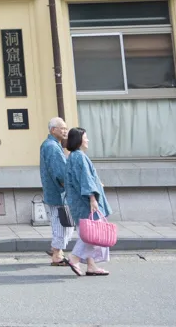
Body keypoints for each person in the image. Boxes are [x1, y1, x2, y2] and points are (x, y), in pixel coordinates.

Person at [65, 127, 111, 276]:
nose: (88, 140)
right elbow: (85, 179)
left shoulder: (74, 156)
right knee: (92, 233)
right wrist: (92, 198)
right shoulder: (79, 157)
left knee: (89, 231)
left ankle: (91, 266)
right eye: (85, 137)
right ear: (79, 140)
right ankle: (74, 257)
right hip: (85, 201)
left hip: (78, 201)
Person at [39, 117, 71, 265]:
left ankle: (55, 249)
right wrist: (69, 187)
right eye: (62, 128)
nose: (65, 131)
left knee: (60, 222)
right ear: (53, 130)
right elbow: (60, 172)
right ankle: (57, 255)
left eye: (65, 128)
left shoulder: (50, 144)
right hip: (59, 193)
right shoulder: (52, 146)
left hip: (54, 191)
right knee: (62, 223)